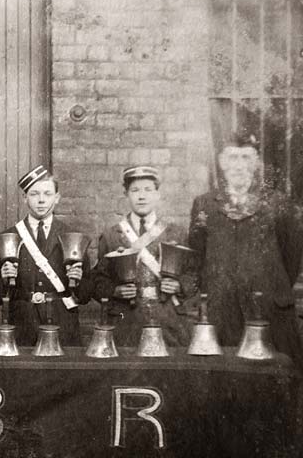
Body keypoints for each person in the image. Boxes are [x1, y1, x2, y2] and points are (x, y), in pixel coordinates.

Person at [188, 131, 303, 363]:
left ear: (256, 163)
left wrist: (265, 283)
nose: (239, 165)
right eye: (232, 157)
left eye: (246, 158)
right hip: (222, 310)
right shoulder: (205, 204)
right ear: (221, 162)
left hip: (269, 308)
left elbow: (291, 256)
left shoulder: (277, 203)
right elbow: (197, 255)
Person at [90, 166, 197, 346]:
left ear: (157, 194)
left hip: (168, 319)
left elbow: (193, 274)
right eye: (135, 190)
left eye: (148, 190)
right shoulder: (112, 236)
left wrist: (179, 285)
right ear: (126, 194)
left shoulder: (175, 233)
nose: (141, 196)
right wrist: (115, 291)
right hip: (126, 321)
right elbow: (98, 280)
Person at [0, 165, 93, 346]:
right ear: (24, 198)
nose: (41, 200)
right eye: (34, 194)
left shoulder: (72, 237)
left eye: (47, 194)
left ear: (57, 198)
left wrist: (77, 281)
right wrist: (5, 279)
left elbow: (85, 295)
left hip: (62, 322)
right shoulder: (9, 237)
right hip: (23, 323)